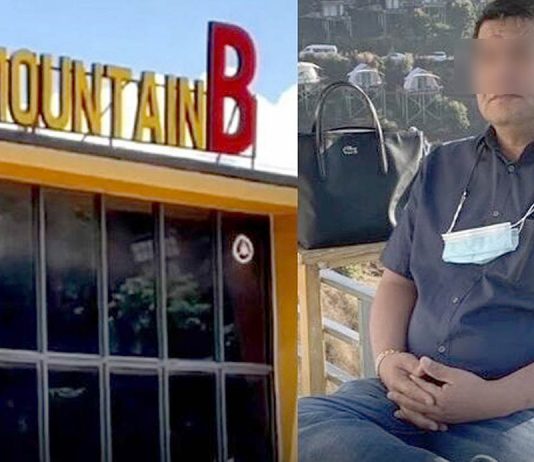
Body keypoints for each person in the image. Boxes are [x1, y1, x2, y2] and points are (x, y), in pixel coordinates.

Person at [298, 1, 534, 461]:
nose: (501, 71)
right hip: (405, 396)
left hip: (513, 411)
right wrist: (389, 362)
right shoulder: (442, 166)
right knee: (298, 424)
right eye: (488, 57)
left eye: (521, 54)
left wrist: (491, 398)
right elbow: (397, 280)